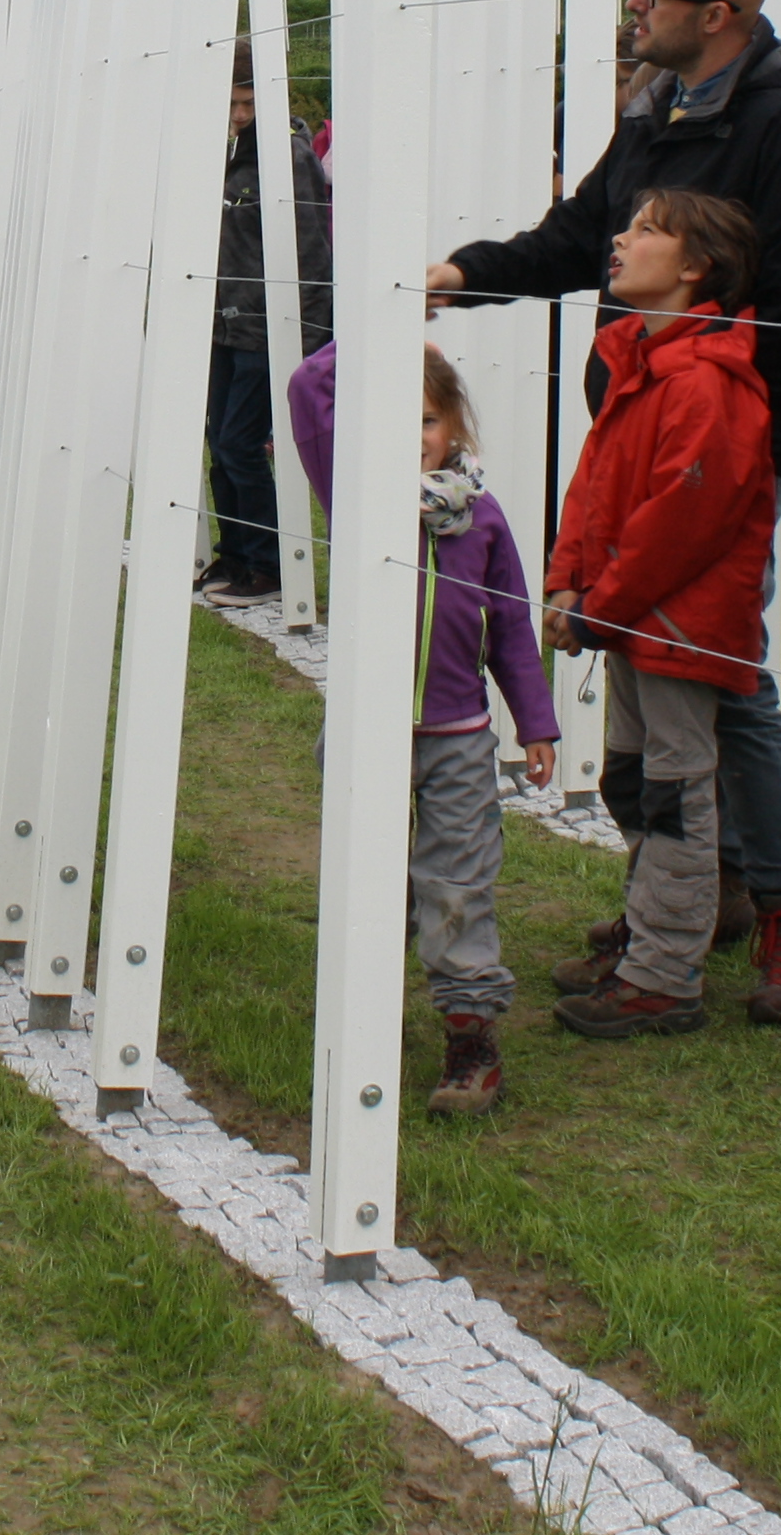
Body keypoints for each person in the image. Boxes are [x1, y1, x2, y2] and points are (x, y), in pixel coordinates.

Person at [423, 0, 781, 1019]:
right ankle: (696, 899)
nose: (633, 7)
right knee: (656, 693)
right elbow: (580, 237)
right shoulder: (659, 111)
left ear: (717, 15)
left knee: (721, 682)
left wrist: (735, 436)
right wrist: (466, 274)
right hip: (637, 436)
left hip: (724, 458)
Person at [536, 189, 781, 1040]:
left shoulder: (709, 382)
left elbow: (683, 522)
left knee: (675, 793)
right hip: (628, 618)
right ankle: (652, 932)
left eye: (647, 230)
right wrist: (568, 582)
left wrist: (598, 609)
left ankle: (664, 973)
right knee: (630, 780)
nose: (620, 238)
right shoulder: (638, 361)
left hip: (676, 628)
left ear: (696, 267)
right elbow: (596, 483)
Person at [287, 336, 558, 1114]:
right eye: (396, 418)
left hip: (459, 739)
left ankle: (471, 1038)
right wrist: (389, 330)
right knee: (369, 878)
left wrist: (536, 723)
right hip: (366, 735)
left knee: (459, 883)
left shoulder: (484, 519)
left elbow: (512, 629)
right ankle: (361, 1011)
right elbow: (308, 386)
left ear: (456, 429)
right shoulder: (356, 496)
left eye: (429, 420)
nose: (413, 436)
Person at [200, 49, 332, 602]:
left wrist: (307, 344)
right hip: (224, 324)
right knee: (219, 442)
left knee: (240, 443)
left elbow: (312, 253)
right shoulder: (222, 150)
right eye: (231, 102)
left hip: (267, 326)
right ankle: (236, 555)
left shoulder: (289, 156)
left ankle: (270, 566)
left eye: (249, 103)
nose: (239, 114)